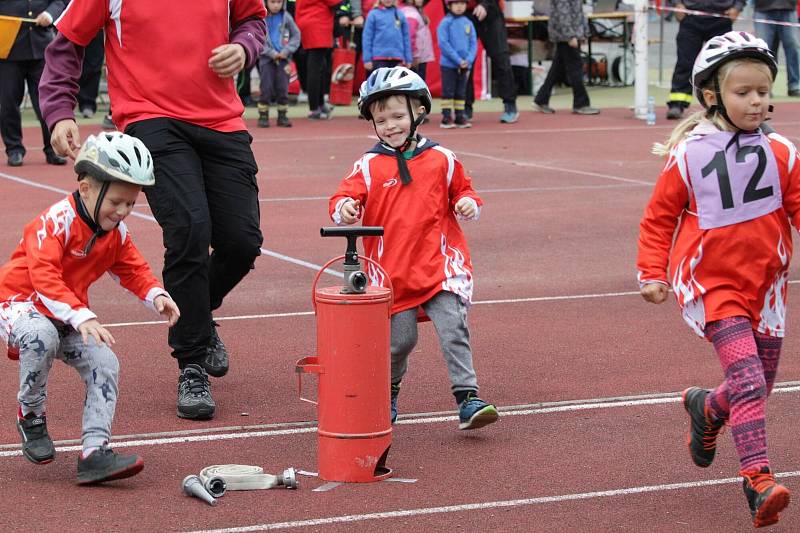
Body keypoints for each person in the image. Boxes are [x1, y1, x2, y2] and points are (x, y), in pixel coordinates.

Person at [39, 0, 267, 420]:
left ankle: (197, 312)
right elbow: (67, 42)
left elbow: (253, 20)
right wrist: (59, 113)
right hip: (151, 118)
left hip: (223, 123)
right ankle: (192, 364)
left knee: (243, 242)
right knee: (189, 229)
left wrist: (244, 48)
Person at [637, 31, 793, 527]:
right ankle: (758, 480)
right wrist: (651, 271)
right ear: (711, 96)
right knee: (748, 378)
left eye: (763, 92)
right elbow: (659, 217)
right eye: (743, 92)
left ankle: (708, 408)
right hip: (711, 284)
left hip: (766, 288)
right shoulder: (691, 153)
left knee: (757, 385)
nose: (756, 101)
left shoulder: (783, 152)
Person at [0, 132, 180, 484]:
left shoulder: (116, 232)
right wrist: (83, 315)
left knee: (105, 361)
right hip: (20, 306)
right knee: (41, 336)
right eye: (116, 201)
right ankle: (31, 414)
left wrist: (156, 295)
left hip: (66, 315)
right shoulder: (53, 223)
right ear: (85, 188)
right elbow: (44, 279)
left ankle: (94, 453)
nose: (123, 211)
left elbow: (133, 269)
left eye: (131, 203)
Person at [328, 67, 499, 430]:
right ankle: (387, 391)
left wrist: (469, 203)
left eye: (397, 116)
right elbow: (343, 196)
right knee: (398, 343)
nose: (390, 125)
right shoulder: (369, 164)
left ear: (418, 112)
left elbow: (465, 190)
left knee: (453, 327)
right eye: (381, 119)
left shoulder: (442, 159)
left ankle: (468, 397)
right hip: (391, 274)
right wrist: (344, 208)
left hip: (440, 267)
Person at [0, 0, 67, 167]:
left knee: (47, 103)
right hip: (8, 49)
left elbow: (59, 2)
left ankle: (52, 148)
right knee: (8, 103)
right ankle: (14, 149)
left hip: (40, 47)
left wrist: (50, 14)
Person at [665, 0, 744, 119]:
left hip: (721, 17)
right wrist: (677, 4)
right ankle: (677, 104)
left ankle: (722, 105)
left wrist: (737, 7)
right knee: (685, 63)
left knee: (721, 66)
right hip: (690, 16)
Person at [531, 0, 599, 115]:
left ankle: (541, 99)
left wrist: (582, 32)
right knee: (575, 66)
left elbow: (576, 11)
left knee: (558, 68)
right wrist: (570, 36)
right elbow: (563, 13)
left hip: (566, 33)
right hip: (566, 34)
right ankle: (581, 103)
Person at [458, 0, 518, 123]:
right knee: (464, 61)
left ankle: (510, 104)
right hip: (464, 13)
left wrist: (485, 4)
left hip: (490, 12)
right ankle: (465, 107)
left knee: (501, 58)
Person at [259, 0, 301, 128]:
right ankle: (263, 116)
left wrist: (286, 50)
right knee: (266, 88)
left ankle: (282, 115)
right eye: (272, 2)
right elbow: (258, 38)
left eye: (279, 2)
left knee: (283, 88)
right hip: (267, 59)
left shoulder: (286, 17)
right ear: (266, 2)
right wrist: (271, 53)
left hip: (283, 59)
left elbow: (296, 35)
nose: (276, 5)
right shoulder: (261, 18)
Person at [296, 0, 341, 119]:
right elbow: (336, 3)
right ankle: (314, 108)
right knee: (316, 69)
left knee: (321, 66)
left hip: (308, 21)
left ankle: (319, 104)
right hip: (318, 23)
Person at [437, 0, 477, 128]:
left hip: (465, 65)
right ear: (449, 6)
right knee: (448, 92)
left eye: (462, 3)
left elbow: (473, 43)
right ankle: (446, 117)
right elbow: (443, 44)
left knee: (461, 92)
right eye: (456, 3)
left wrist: (468, 60)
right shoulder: (445, 23)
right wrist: (458, 60)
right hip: (449, 65)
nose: (460, 6)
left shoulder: (468, 23)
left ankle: (460, 116)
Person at [753, 0, 800, 97]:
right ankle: (764, 86)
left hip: (789, 8)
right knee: (763, 48)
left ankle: (794, 85)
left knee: (793, 46)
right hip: (763, 8)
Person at [362, 0, 412, 71]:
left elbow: (406, 38)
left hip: (397, 59)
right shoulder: (373, 14)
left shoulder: (400, 14)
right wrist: (367, 59)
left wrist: (408, 59)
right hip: (378, 59)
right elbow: (367, 38)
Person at [399, 0, 434, 81]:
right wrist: (413, 56)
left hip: (419, 57)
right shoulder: (411, 13)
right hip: (415, 58)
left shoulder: (416, 11)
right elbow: (410, 36)